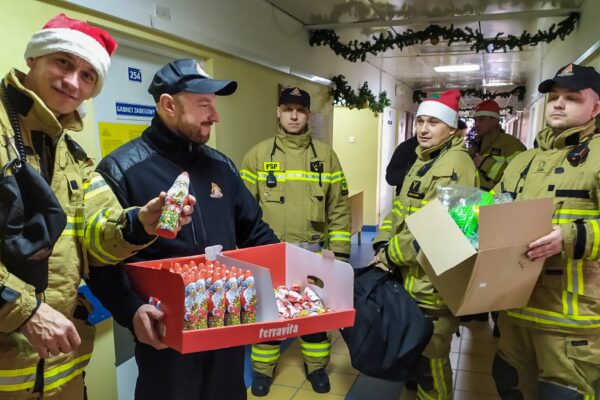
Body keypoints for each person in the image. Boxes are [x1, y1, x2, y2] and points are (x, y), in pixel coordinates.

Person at [0, 14, 181, 399]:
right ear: (34, 58)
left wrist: (140, 224)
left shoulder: (72, 154)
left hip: (63, 373)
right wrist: (25, 310)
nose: (72, 82)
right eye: (63, 62)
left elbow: (97, 238)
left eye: (87, 75)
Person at [88, 58, 279, 400]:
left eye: (215, 104)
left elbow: (255, 231)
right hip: (166, 338)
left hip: (228, 323)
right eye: (204, 104)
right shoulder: (120, 170)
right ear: (168, 105)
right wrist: (130, 310)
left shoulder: (221, 166)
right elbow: (99, 263)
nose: (215, 115)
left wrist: (287, 274)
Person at [492, 63, 600, 399]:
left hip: (569, 321)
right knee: (507, 382)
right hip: (515, 311)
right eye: (554, 96)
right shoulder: (523, 161)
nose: (558, 103)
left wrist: (567, 237)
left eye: (571, 97)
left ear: (596, 107)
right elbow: (494, 210)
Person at [240, 87, 351, 396]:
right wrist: (248, 254)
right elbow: (243, 210)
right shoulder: (258, 155)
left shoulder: (326, 157)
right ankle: (262, 372)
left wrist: (339, 255)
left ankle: (316, 369)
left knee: (314, 317)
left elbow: (339, 207)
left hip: (314, 254)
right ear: (278, 112)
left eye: (300, 110)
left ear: (308, 115)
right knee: (269, 316)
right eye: (287, 108)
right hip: (272, 254)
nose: (293, 115)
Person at [372, 89, 478, 400]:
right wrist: (382, 240)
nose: (423, 129)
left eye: (433, 122)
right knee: (419, 355)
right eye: (420, 121)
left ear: (450, 127)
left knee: (433, 361)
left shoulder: (455, 164)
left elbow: (442, 227)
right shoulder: (424, 160)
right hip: (412, 274)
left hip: (434, 281)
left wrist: (390, 254)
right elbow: (401, 209)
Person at [470, 99, 526, 191]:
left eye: (481, 120)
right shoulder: (475, 144)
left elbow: (519, 177)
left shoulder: (512, 144)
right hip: (475, 199)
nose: (476, 124)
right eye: (475, 120)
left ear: (495, 120)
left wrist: (485, 164)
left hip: (497, 201)